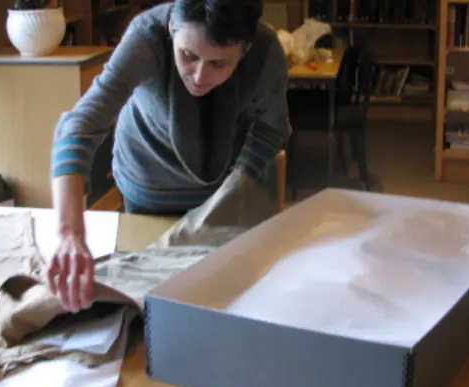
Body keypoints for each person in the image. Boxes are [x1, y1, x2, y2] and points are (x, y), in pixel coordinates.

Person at [47, 0, 291, 312]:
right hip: (147, 188)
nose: (200, 76)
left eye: (219, 64)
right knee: (145, 300)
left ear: (245, 49)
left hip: (221, 196)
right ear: (173, 29)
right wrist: (69, 232)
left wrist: (236, 185)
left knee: (219, 301)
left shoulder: (266, 51)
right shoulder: (146, 36)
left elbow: (272, 130)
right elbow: (80, 125)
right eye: (188, 55)